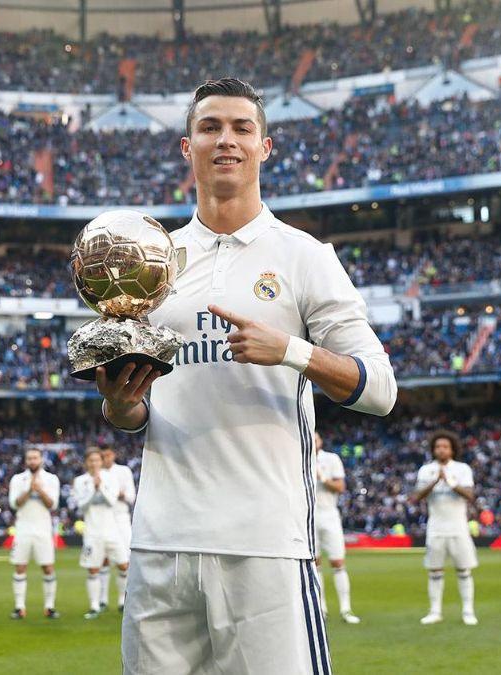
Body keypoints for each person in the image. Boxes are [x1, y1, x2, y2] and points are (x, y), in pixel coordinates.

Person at [98, 78, 397, 674]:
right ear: (188, 147)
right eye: (210, 127)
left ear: (265, 147)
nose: (225, 140)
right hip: (161, 542)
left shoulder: (304, 256)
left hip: (264, 544)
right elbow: (136, 415)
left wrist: (289, 349)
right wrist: (120, 404)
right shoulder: (152, 263)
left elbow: (380, 389)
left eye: (241, 128)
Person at [410, 430, 478, 626]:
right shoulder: (426, 470)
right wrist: (434, 482)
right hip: (436, 527)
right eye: (438, 447)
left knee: (464, 570)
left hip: (458, 527)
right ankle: (435, 611)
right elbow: (416, 497)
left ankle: (468, 611)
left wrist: (450, 482)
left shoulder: (462, 469)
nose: (441, 450)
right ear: (433, 449)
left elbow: (470, 495)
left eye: (445, 447)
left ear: (452, 449)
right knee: (434, 570)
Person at [7, 447, 61, 619]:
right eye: (29, 458)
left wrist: (40, 490)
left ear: (41, 460)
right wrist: (29, 490)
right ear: (26, 461)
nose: (32, 461)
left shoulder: (51, 479)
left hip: (43, 529)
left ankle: (49, 607)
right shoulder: (17, 479)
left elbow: (52, 504)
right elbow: (14, 504)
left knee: (47, 567)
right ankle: (19, 607)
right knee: (20, 566)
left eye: (35, 458)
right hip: (23, 528)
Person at [71, 448, 125, 619]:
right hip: (92, 531)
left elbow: (111, 501)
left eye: (97, 460)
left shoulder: (111, 477)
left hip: (112, 529)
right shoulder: (80, 481)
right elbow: (81, 506)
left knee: (124, 565)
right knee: (93, 569)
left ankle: (122, 601)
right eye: (91, 460)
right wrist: (93, 490)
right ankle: (94, 605)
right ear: (86, 462)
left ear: (101, 462)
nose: (94, 463)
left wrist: (100, 486)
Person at [313, 431, 359, 624]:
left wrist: (323, 478)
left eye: (315, 438)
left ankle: (345, 609)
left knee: (338, 562)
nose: (312, 441)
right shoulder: (297, 457)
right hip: (306, 517)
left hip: (328, 515)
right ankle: (320, 609)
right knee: (314, 565)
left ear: (321, 441)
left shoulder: (331, 459)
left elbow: (340, 487)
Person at [99, 445, 136, 612]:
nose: (105, 459)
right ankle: (102, 600)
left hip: (121, 518)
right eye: (102, 456)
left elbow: (131, 496)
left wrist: (117, 494)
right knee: (103, 559)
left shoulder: (124, 471)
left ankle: (123, 599)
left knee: (125, 559)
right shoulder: (96, 473)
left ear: (113, 454)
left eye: (108, 455)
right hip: (103, 518)